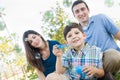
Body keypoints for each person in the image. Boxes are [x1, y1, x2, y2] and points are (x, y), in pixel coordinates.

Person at [71, 0, 120, 75]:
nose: (81, 13)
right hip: (94, 65)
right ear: (74, 15)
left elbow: (118, 34)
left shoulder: (101, 18)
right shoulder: (76, 34)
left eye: (83, 9)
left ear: (88, 10)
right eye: (77, 11)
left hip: (112, 58)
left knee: (114, 56)